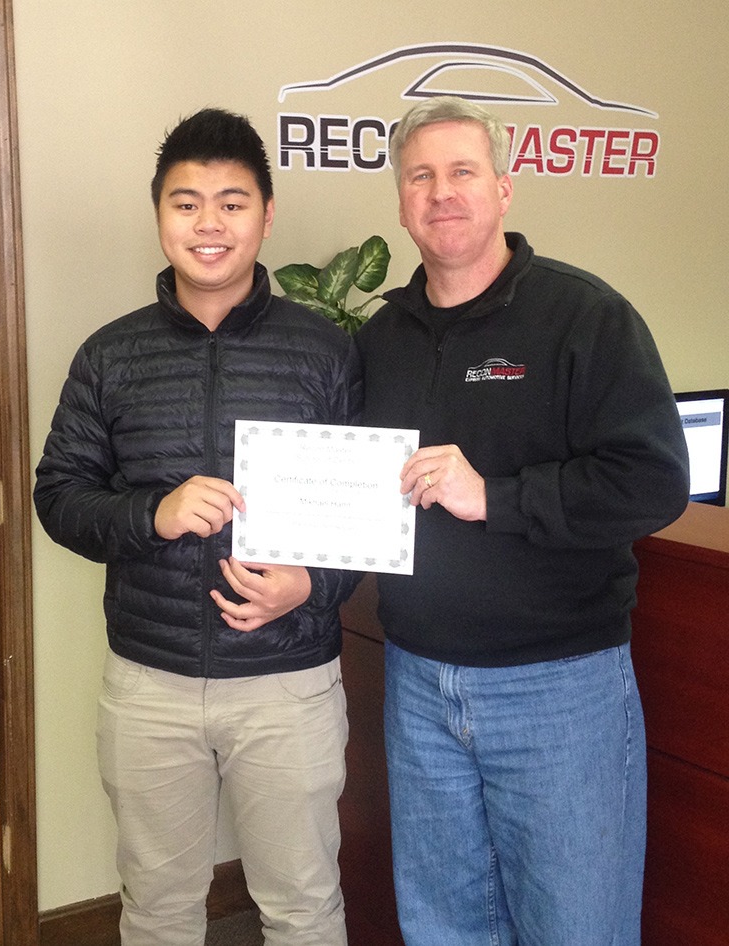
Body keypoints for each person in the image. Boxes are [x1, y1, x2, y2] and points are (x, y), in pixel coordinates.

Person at [354, 96, 690, 946]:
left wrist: (496, 496)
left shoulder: (584, 317)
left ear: (505, 189)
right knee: (443, 926)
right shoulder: (381, 337)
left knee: (576, 926)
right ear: (400, 201)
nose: (442, 193)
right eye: (421, 176)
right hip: (419, 683)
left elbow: (653, 482)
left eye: (463, 172)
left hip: (558, 688)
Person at [34, 107, 361, 946]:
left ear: (266, 213)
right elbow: (60, 497)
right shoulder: (110, 356)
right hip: (151, 684)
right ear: (159, 214)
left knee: (303, 904)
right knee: (158, 904)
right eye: (186, 203)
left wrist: (311, 586)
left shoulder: (325, 352)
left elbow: (369, 515)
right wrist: (154, 511)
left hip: (289, 683)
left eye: (231, 202)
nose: (208, 224)